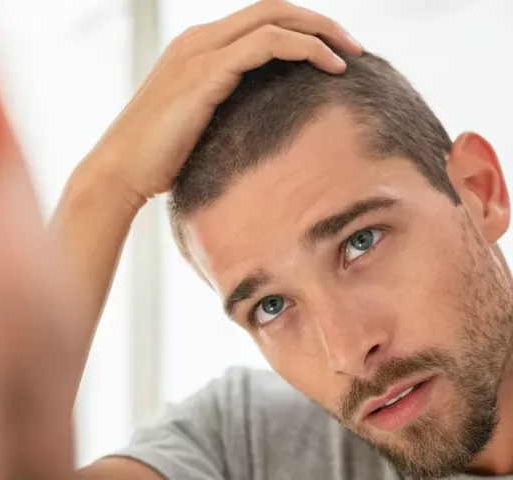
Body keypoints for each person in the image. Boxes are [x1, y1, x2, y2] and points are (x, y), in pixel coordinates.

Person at [75, 3, 513, 480]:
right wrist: (102, 188)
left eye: (360, 242)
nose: (346, 354)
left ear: (479, 190)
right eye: (271, 306)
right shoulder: (243, 447)